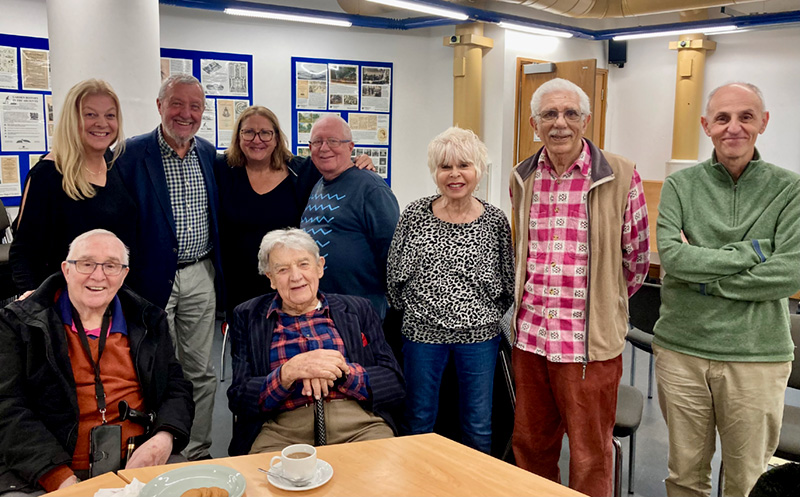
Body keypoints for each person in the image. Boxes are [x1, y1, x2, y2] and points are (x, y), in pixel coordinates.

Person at [653, 82, 800, 497]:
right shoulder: (680, 186)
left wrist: (699, 275)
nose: (733, 127)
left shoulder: (791, 189)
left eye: (745, 117)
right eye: (722, 118)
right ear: (706, 125)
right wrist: (756, 251)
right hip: (682, 351)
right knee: (684, 476)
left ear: (763, 123)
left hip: (757, 358)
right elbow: (673, 259)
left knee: (748, 481)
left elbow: (790, 274)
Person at [509, 78, 649, 496]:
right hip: (531, 340)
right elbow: (523, 252)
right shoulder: (522, 176)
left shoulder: (620, 174)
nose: (560, 123)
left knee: (590, 456)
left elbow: (636, 260)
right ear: (534, 123)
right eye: (550, 114)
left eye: (571, 113)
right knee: (531, 447)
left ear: (586, 120)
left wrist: (603, 304)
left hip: (588, 344)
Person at [0, 229, 193, 495]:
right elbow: (8, 409)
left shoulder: (149, 319)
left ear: (124, 274)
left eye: (111, 266)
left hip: (139, 464)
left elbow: (176, 388)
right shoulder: (20, 324)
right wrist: (61, 480)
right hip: (47, 471)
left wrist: (164, 438)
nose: (98, 276)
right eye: (87, 264)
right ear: (66, 270)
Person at [386, 127, 514, 454]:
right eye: (445, 167)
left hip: (479, 337)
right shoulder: (414, 214)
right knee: (418, 418)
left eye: (464, 165)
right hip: (422, 335)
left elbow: (508, 281)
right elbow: (395, 275)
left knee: (478, 422)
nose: (455, 174)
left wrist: (480, 315)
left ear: (479, 170)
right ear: (435, 172)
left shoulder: (496, 221)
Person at [116, 74, 221, 460]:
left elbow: (272, 163)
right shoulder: (130, 154)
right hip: (149, 277)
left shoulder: (210, 155)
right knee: (155, 367)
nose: (186, 114)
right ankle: (158, 448)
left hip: (200, 273)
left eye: (195, 106)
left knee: (200, 370)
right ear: (160, 106)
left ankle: (196, 449)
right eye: (177, 104)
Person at [226, 228, 405, 455]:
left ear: (319, 267)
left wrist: (342, 371)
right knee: (263, 484)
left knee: (384, 481)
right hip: (282, 431)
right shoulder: (248, 316)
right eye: (282, 269)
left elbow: (394, 383)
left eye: (303, 264)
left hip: (359, 425)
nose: (296, 277)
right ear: (270, 278)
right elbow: (239, 397)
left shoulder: (358, 309)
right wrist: (288, 373)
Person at [215, 106, 373, 317]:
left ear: (277, 137)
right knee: (246, 344)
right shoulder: (224, 170)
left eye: (265, 132)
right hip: (239, 284)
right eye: (249, 132)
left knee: (290, 345)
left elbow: (334, 164)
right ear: (238, 136)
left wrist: (359, 162)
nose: (257, 139)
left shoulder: (301, 171)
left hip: (291, 282)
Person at [10, 79, 137, 295]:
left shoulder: (114, 164)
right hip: (64, 303)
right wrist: (34, 306)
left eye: (109, 115)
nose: (101, 123)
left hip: (113, 296)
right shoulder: (47, 174)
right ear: (72, 120)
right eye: (90, 115)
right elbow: (24, 252)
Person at [299, 116, 399, 319]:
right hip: (320, 308)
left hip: (357, 311)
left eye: (333, 141)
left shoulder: (371, 188)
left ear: (350, 147)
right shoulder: (319, 184)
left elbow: (393, 250)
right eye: (317, 142)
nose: (324, 148)